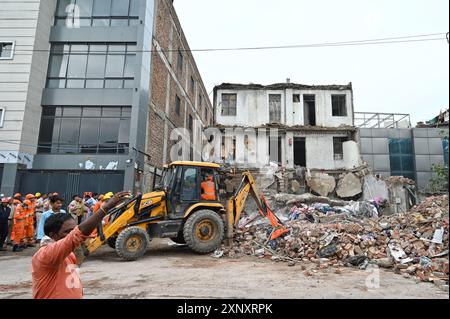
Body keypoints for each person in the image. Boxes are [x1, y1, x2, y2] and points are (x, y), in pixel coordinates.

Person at [32, 191, 129, 299]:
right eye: (67, 232)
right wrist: (106, 208)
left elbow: (71, 283)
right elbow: (77, 234)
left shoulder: (70, 255)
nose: (72, 234)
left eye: (73, 229)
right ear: (53, 235)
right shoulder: (46, 254)